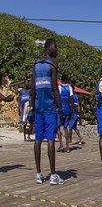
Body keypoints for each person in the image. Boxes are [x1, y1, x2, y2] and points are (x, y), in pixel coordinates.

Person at [30, 39, 65, 185]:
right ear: (49, 48)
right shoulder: (52, 64)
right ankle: (53, 175)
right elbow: (55, 89)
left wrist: (32, 107)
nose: (56, 50)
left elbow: (33, 88)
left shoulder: (36, 64)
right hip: (50, 109)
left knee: (38, 140)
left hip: (38, 109)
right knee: (50, 140)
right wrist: (60, 109)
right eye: (55, 47)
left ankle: (39, 174)